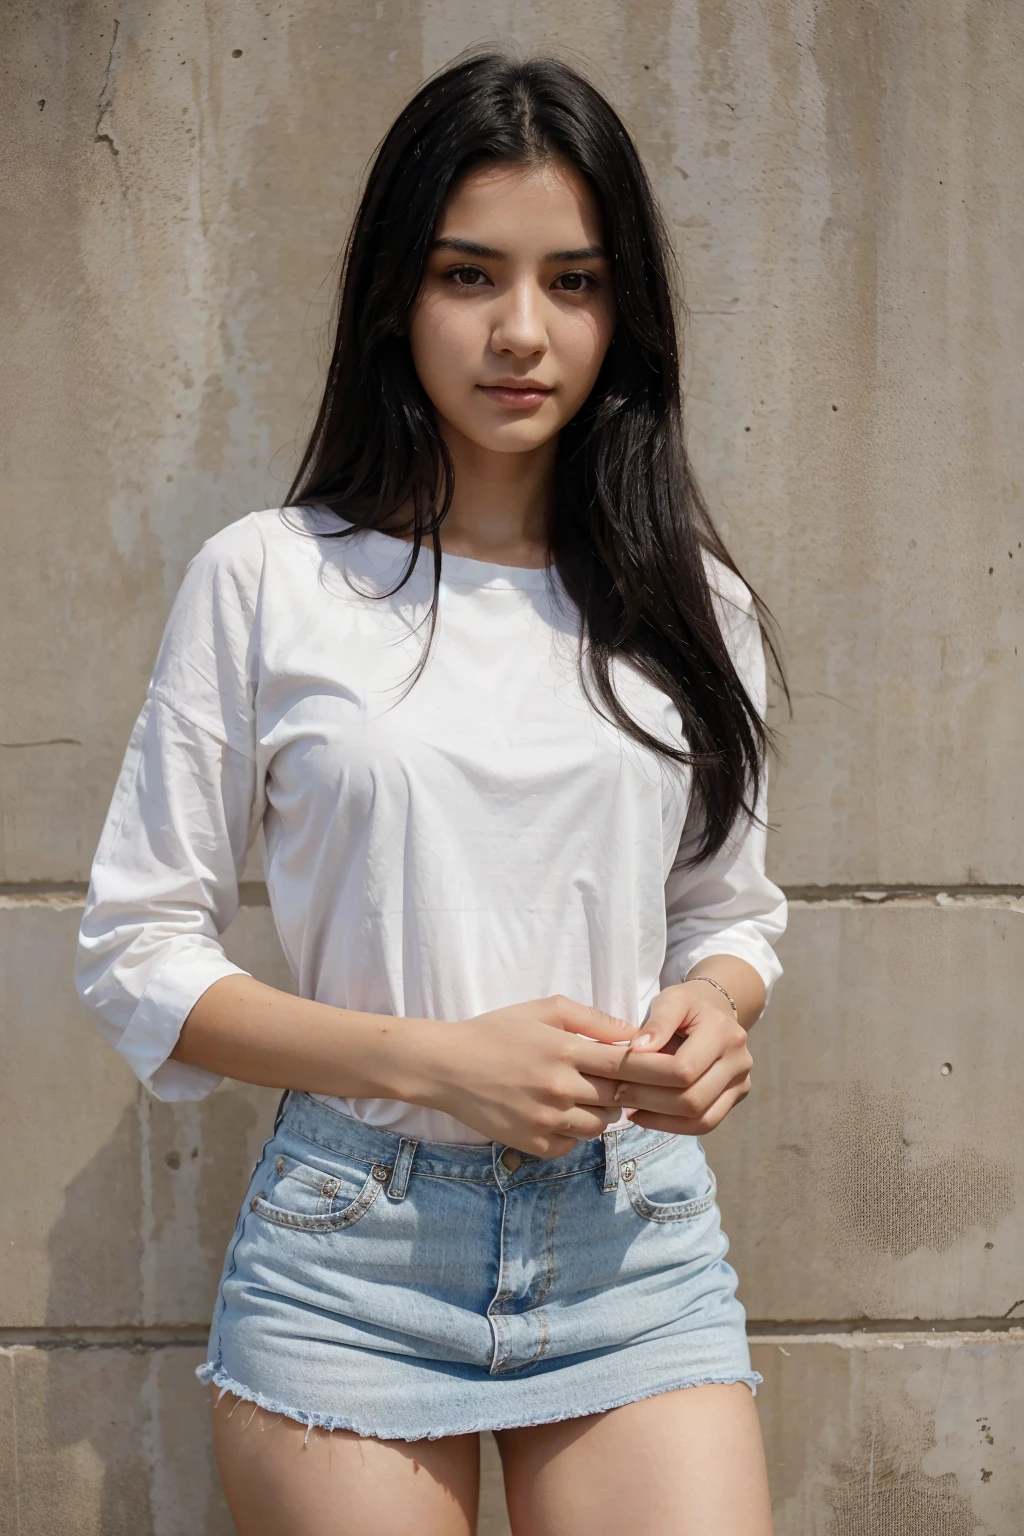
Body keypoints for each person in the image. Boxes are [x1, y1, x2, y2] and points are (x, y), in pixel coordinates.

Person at [76, 51, 786, 1536]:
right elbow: (140, 953)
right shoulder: (271, 579)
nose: (522, 332)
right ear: (399, 292)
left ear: (623, 311)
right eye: (472, 274)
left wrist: (714, 1012)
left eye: (573, 283)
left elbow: (728, 914)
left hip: (632, 1241)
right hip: (352, 1255)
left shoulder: (690, 604)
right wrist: (434, 1063)